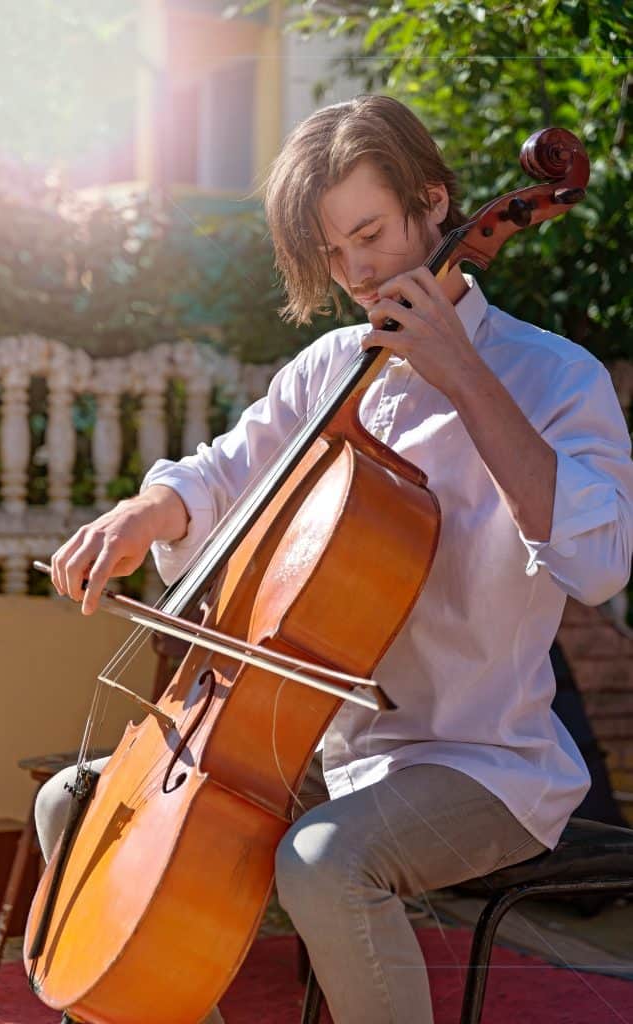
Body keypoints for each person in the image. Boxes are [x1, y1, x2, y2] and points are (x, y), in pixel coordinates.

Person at [36, 96, 633, 1024]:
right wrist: (149, 508)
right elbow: (222, 472)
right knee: (79, 810)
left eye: (371, 234)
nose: (358, 273)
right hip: (318, 746)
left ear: (435, 203)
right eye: (332, 252)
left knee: (325, 861)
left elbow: (597, 562)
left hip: (481, 762)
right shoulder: (326, 370)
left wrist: (462, 376)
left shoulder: (556, 378)